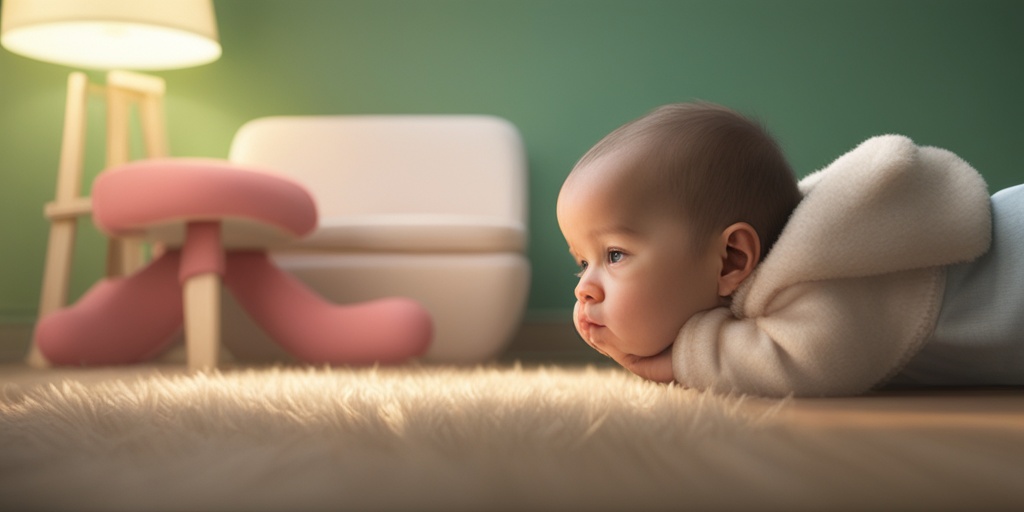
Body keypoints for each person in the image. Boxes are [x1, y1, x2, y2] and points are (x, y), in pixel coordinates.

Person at [556, 102, 1022, 397]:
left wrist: (680, 361)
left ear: (733, 260)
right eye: (582, 263)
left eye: (614, 255)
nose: (586, 289)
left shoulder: (820, 273)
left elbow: (813, 363)